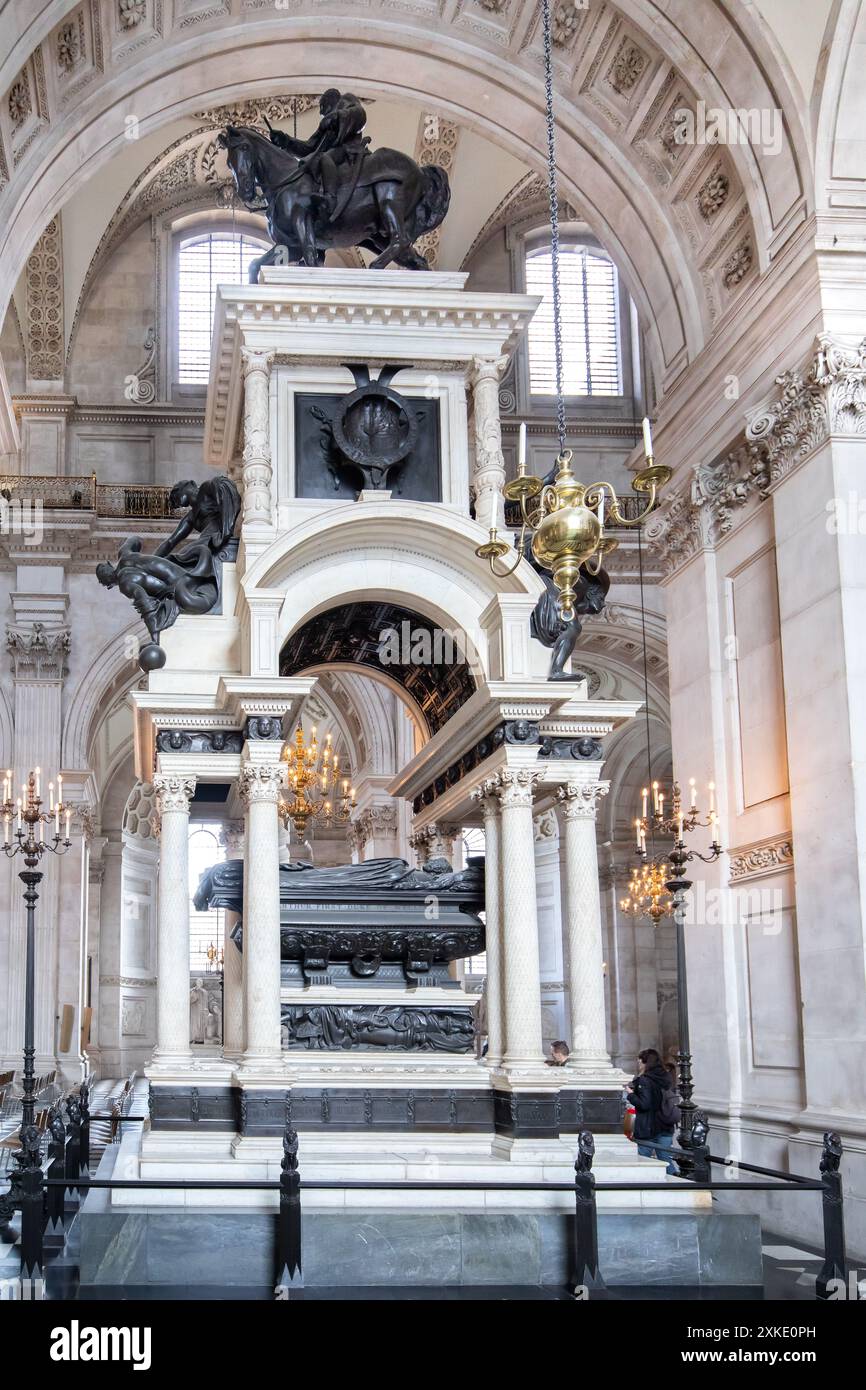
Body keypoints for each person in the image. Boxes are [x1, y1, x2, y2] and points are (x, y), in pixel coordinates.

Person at [627, 1047, 677, 1174]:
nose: (638, 1064)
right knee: (665, 1161)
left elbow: (644, 1104)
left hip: (648, 1128)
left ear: (644, 1062)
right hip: (665, 1126)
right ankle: (677, 1182)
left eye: (639, 1061)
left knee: (642, 1162)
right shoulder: (666, 1078)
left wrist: (631, 1094)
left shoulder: (644, 1080)